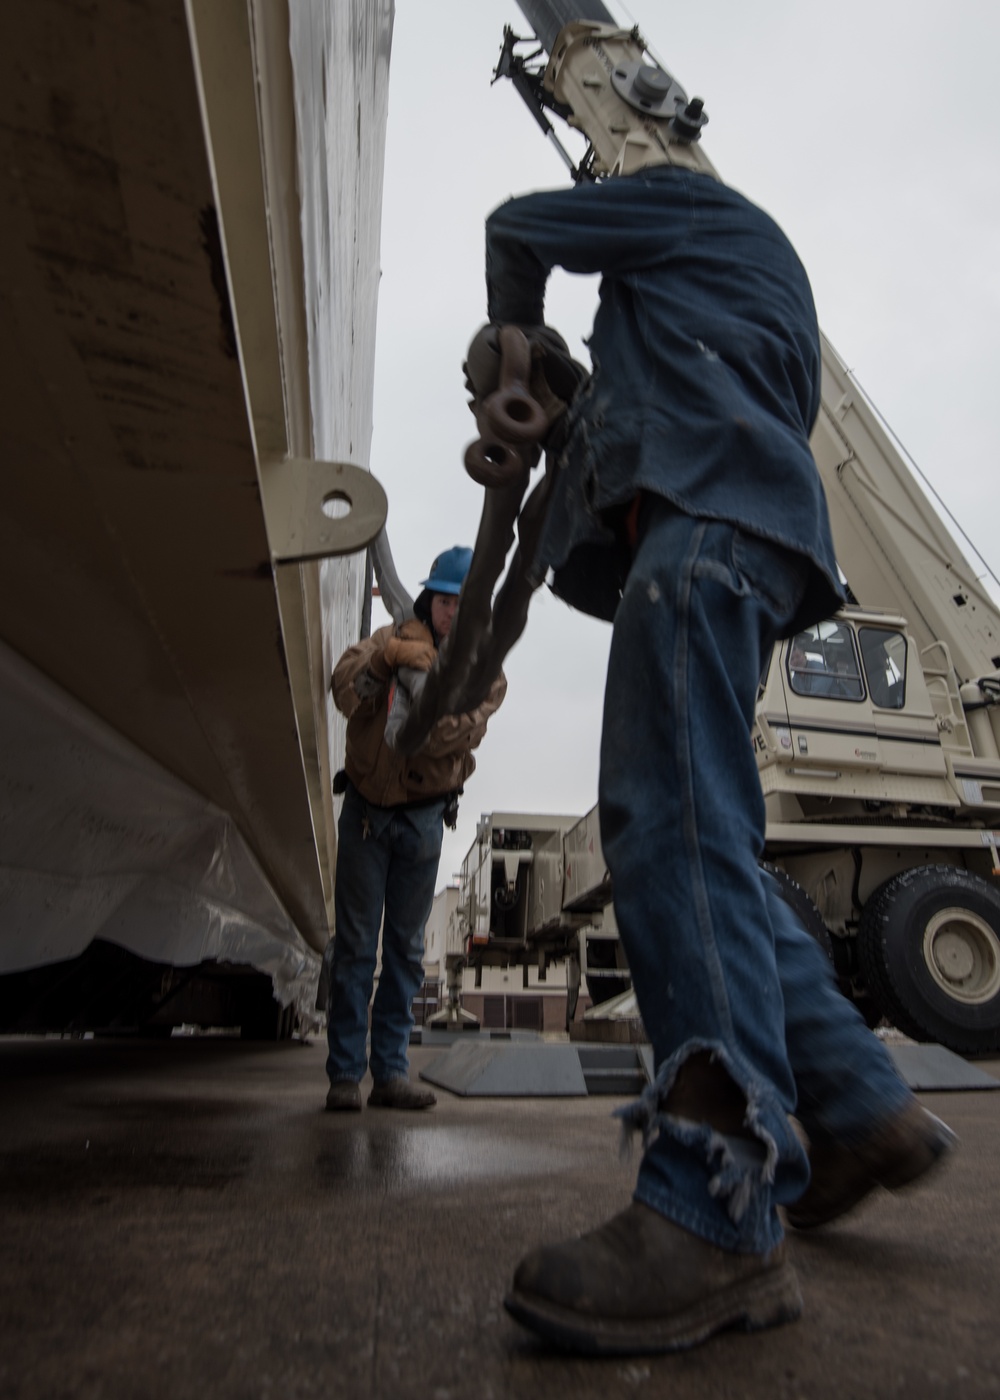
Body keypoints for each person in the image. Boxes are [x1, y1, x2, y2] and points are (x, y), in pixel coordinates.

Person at [483, 164, 955, 1352]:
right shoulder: (747, 293)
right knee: (712, 843)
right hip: (748, 537)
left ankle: (713, 1208)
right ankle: (858, 1100)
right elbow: (656, 400)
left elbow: (519, 224)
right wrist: (575, 390)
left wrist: (516, 342)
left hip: (698, 532)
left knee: (665, 825)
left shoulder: (682, 205)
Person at [324, 547, 506, 1112]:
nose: (452, 611)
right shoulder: (387, 639)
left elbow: (447, 733)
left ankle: (391, 1074)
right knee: (355, 948)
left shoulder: (486, 672)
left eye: (463, 602)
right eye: (445, 600)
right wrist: (382, 667)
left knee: (403, 951)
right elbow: (343, 691)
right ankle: (345, 1078)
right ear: (430, 599)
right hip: (365, 815)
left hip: (424, 820)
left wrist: (423, 678)